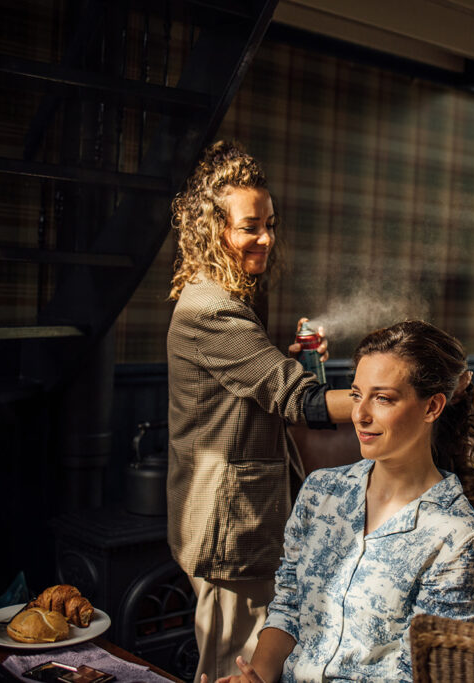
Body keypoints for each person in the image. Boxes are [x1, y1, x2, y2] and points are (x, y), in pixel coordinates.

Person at [204, 320, 474, 683]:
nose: (360, 414)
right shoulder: (321, 490)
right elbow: (290, 605)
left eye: (383, 398)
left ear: (432, 407)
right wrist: (257, 677)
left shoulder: (458, 537)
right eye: (357, 395)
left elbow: (423, 674)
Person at [166, 140, 352, 682]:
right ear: (214, 229)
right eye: (251, 226)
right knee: (237, 671)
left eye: (270, 224)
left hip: (242, 520)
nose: (266, 238)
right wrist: (390, 400)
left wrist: (291, 364)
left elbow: (260, 389)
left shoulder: (232, 298)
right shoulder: (211, 308)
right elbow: (298, 400)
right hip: (229, 524)